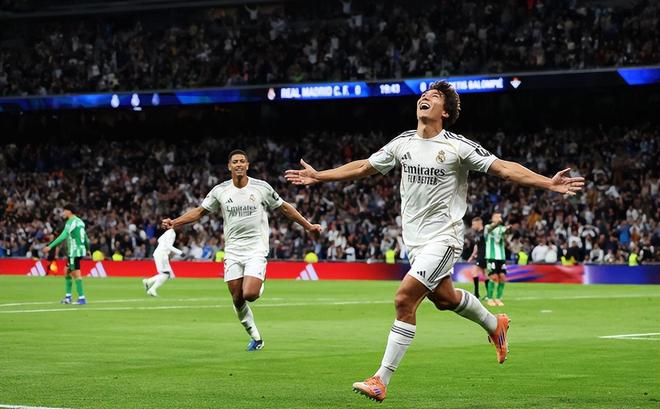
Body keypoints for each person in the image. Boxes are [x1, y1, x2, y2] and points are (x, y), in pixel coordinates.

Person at [285, 80, 585, 402]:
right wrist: (320, 175)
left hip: (444, 238)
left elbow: (503, 169)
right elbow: (364, 166)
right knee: (445, 299)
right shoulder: (402, 143)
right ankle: (494, 324)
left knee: (404, 299)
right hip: (415, 242)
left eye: (435, 96)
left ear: (445, 112)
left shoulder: (458, 147)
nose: (426, 96)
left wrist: (547, 183)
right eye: (425, 94)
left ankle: (381, 379)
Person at [162, 149, 322, 351]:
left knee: (250, 294)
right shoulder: (220, 190)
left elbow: (284, 207)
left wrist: (309, 226)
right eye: (235, 161)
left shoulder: (261, 187)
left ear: (247, 165)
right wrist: (175, 222)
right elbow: (200, 212)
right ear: (229, 166)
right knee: (237, 299)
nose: (239, 164)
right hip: (233, 251)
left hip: (256, 248)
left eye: (242, 161)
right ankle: (256, 338)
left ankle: (260, 278)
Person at [43, 204, 90, 305]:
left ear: (69, 211)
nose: (63, 213)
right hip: (80, 250)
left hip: (74, 251)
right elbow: (86, 237)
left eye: (64, 211)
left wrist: (50, 246)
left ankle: (82, 298)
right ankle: (68, 297)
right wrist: (88, 248)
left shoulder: (71, 222)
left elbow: (63, 235)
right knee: (66, 271)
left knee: (76, 273)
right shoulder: (80, 221)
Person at [142, 229, 182, 296]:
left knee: (169, 275)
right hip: (162, 254)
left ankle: (148, 282)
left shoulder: (167, 232)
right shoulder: (172, 233)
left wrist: (163, 246)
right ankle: (151, 288)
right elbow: (168, 245)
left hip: (161, 254)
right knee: (166, 274)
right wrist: (180, 252)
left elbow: (159, 240)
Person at [484, 212, 509, 306]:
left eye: (500, 217)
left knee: (502, 277)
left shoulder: (502, 228)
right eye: (497, 217)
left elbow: (507, 233)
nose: (499, 218)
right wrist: (497, 223)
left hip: (501, 257)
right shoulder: (487, 227)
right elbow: (490, 229)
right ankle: (490, 298)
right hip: (491, 256)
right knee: (493, 277)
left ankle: (498, 298)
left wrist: (509, 229)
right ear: (492, 218)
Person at [466, 217, 487, 299]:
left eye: (473, 224)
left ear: (479, 223)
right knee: (485, 274)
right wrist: (472, 256)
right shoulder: (477, 234)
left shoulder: (485, 232)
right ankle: (488, 294)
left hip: (484, 255)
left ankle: (477, 293)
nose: (472, 226)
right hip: (480, 256)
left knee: (475, 272)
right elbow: (476, 246)